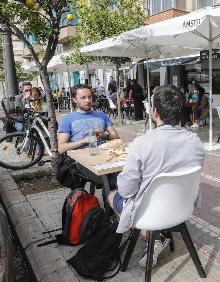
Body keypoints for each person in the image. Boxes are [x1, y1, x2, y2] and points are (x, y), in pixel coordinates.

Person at [108, 85, 204, 268]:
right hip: (182, 210)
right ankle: (156, 236)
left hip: (150, 214)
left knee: (111, 195)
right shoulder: (196, 142)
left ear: (154, 112)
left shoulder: (142, 144)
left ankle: (153, 237)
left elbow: (127, 190)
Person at [58, 84, 119, 154]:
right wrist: (84, 141)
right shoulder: (68, 119)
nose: (88, 100)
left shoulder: (102, 115)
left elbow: (116, 138)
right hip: (80, 161)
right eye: (83, 98)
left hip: (104, 156)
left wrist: (105, 136)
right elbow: (61, 148)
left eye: (89, 97)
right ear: (75, 100)